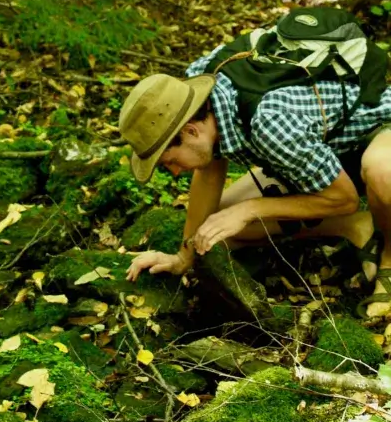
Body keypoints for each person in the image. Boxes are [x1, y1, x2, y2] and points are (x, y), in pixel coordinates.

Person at [118, 33, 391, 317]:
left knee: (383, 171)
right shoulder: (196, 91)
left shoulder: (269, 122)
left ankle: (389, 261)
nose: (174, 172)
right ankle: (356, 227)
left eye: (170, 162)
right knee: (213, 233)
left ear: (190, 131)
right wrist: (182, 257)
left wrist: (249, 210)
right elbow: (210, 171)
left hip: (376, 132)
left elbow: (344, 198)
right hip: (318, 154)